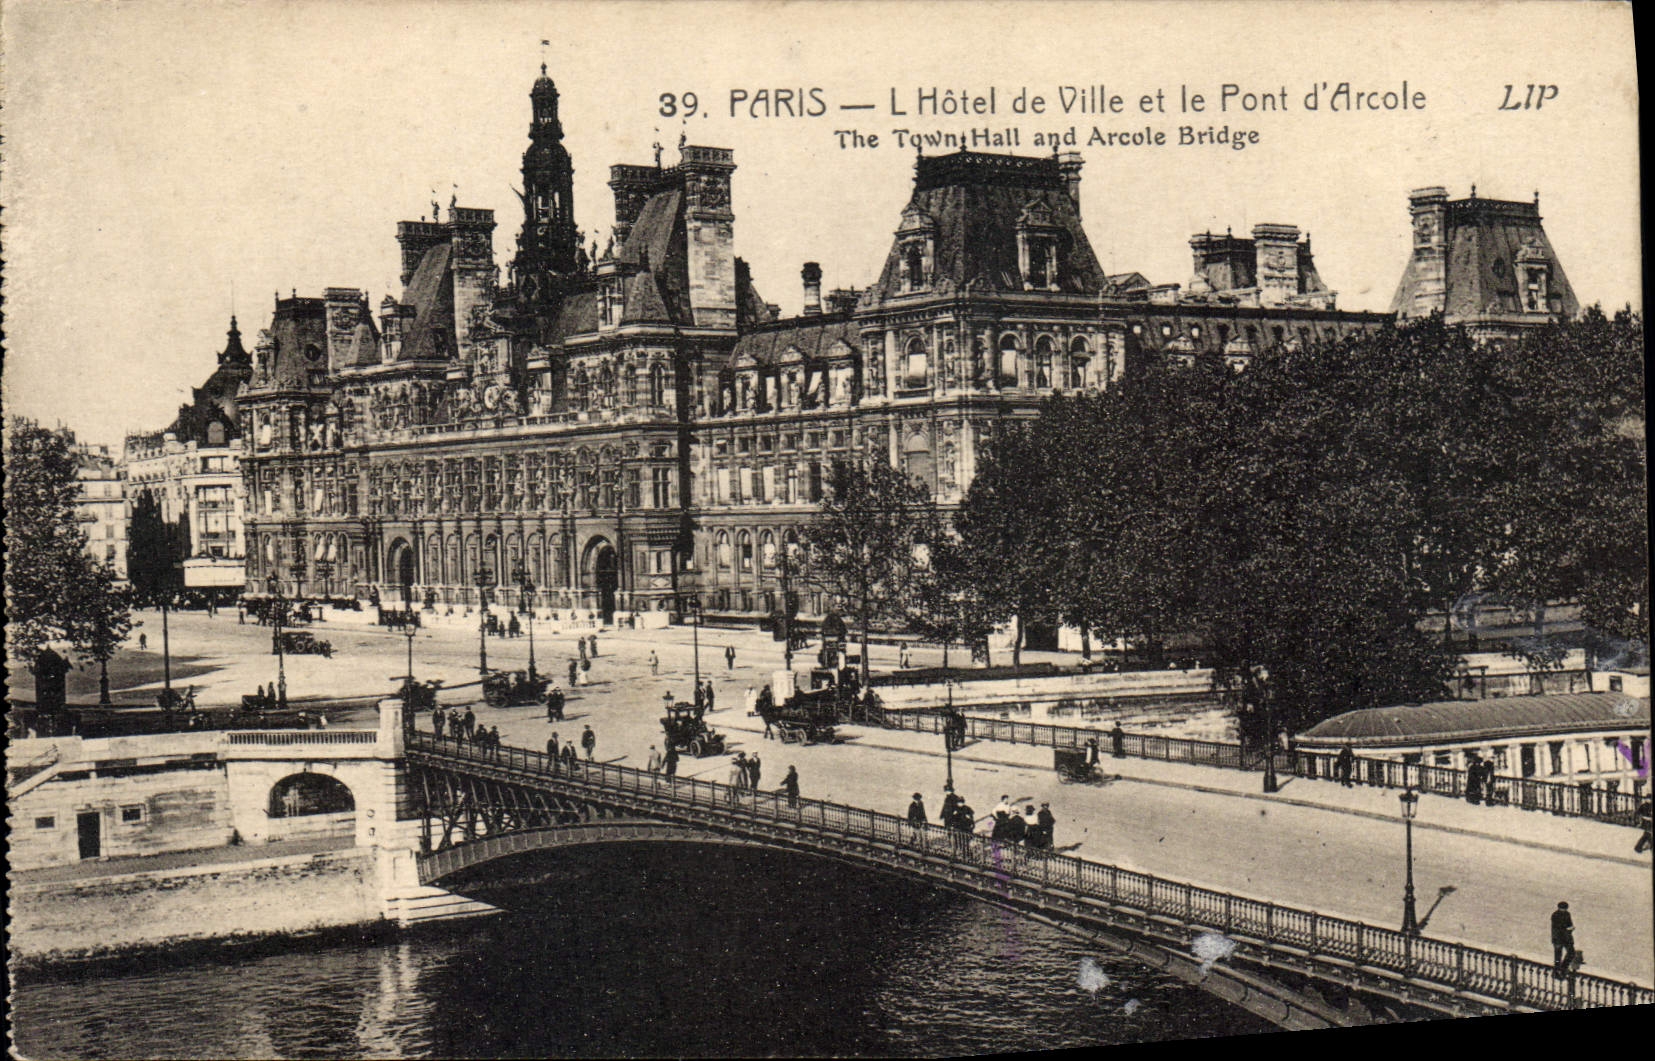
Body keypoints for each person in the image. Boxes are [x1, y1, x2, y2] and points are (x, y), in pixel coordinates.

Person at [1551, 901, 1576, 975]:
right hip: (1558, 938)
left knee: (1571, 953)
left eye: (1565, 909)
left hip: (1566, 937)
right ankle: (1557, 971)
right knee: (1558, 956)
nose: (1564, 910)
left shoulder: (1567, 914)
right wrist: (1567, 929)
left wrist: (1571, 928)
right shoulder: (1555, 915)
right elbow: (1557, 928)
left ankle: (1563, 968)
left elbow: (1569, 924)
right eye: (1563, 909)